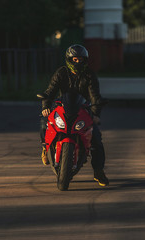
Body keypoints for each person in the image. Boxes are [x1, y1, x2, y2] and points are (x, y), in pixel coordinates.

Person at [40, 44, 109, 187]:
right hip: (62, 108)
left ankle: (98, 171)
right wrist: (45, 106)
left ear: (85, 61)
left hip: (83, 110)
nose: (78, 62)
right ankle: (45, 148)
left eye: (81, 60)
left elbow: (95, 96)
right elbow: (50, 91)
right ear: (69, 59)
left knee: (96, 138)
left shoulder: (89, 75)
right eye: (75, 59)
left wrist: (96, 114)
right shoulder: (61, 72)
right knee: (44, 123)